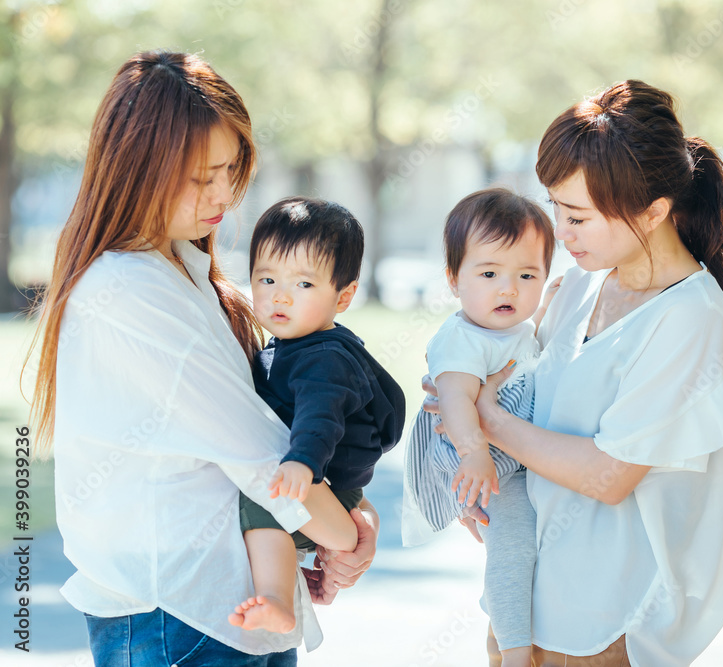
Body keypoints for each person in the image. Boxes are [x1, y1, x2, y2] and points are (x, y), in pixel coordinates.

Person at [25, 51, 378, 666]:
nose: (223, 195)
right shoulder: (128, 290)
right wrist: (347, 536)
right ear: (136, 168)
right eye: (199, 178)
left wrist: (355, 512)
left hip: (230, 610)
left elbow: (280, 419)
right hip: (177, 617)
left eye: (231, 169)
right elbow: (259, 453)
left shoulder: (185, 270)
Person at [426, 80, 723, 666]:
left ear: (653, 211)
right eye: (556, 207)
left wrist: (484, 422)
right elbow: (517, 392)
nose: (561, 231)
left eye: (578, 216)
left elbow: (610, 475)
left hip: (609, 626)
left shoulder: (691, 318)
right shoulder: (578, 285)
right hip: (525, 609)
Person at [231, 196, 405, 634]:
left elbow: (320, 416)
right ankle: (308, 578)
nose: (280, 295)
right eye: (267, 279)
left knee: (260, 500)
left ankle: (275, 598)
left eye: (304, 284)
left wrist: (302, 462)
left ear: (343, 296)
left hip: (317, 485)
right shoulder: (300, 343)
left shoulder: (323, 359)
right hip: (325, 490)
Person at [402, 188, 555, 667]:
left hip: (507, 458)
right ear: (454, 279)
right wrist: (474, 455)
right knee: (513, 551)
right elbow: (454, 401)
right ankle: (515, 652)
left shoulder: (516, 329)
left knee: (524, 550)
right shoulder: (462, 339)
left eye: (526, 275)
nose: (508, 289)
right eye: (489, 274)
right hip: (483, 463)